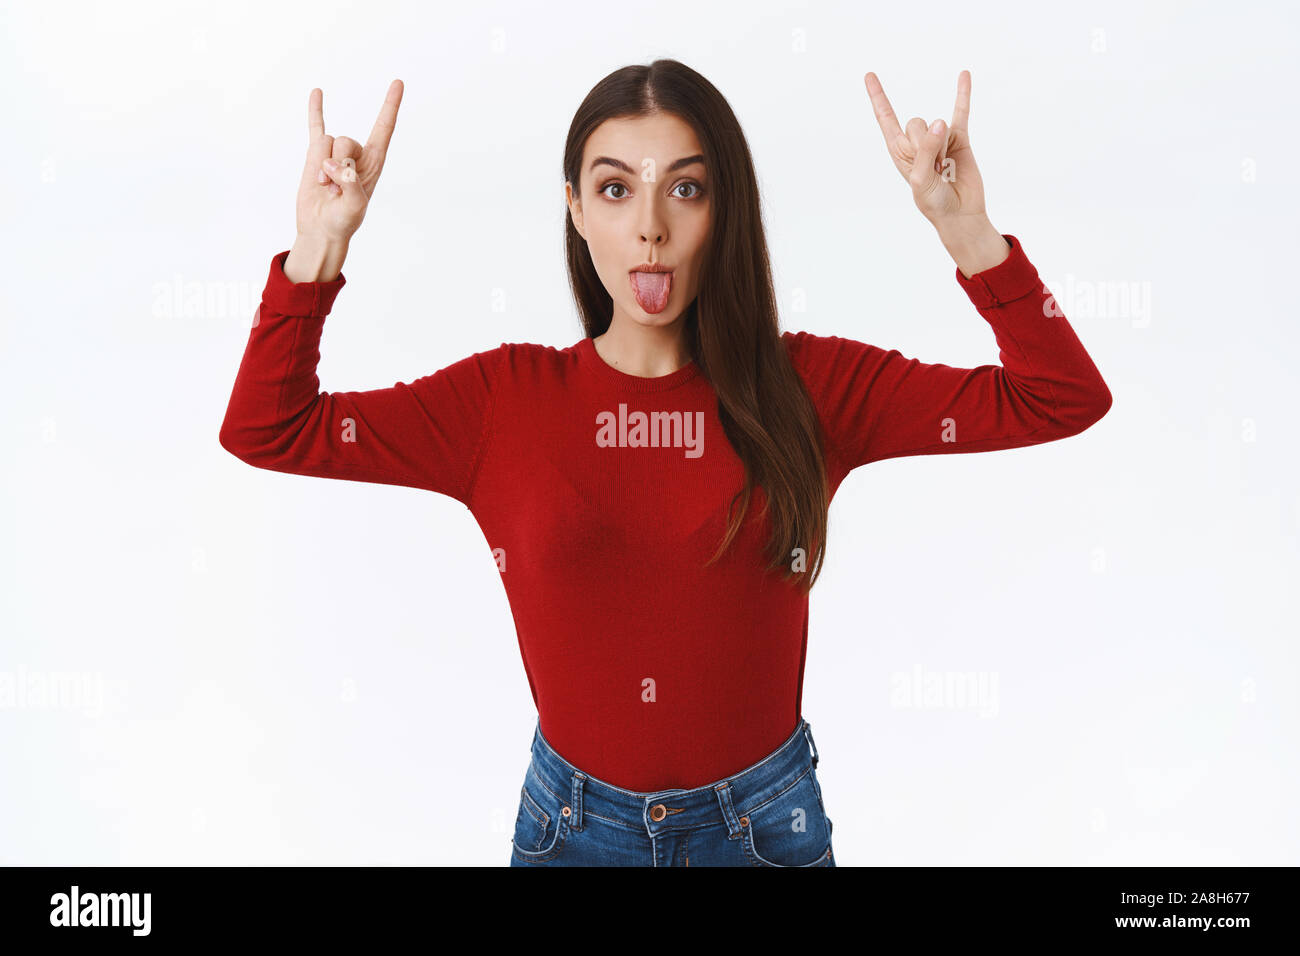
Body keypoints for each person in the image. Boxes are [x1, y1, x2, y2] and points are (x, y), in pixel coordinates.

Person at [219, 61, 1111, 867]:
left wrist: (966, 231)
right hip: (571, 831)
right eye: (615, 191)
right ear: (574, 208)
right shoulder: (502, 401)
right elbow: (269, 425)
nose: (649, 228)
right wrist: (319, 246)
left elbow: (1060, 396)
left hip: (765, 831)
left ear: (725, 210)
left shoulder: (808, 386)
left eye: (685, 188)